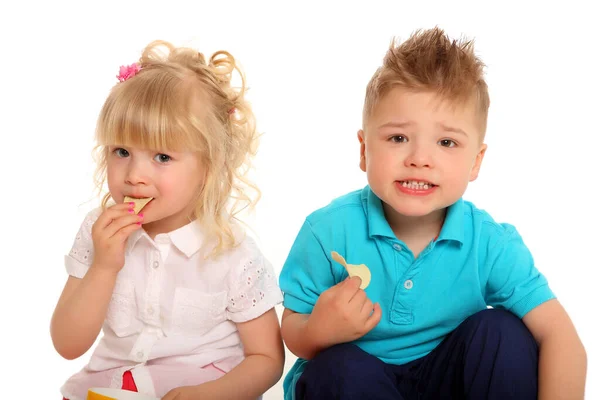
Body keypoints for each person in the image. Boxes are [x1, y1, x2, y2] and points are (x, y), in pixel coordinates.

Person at [279, 27, 587, 399]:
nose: (419, 159)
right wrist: (317, 331)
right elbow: (293, 325)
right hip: (363, 384)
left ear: (476, 161)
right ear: (364, 150)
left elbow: (560, 335)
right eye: (397, 138)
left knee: (502, 331)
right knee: (337, 369)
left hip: (451, 384)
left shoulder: (489, 242)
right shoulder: (327, 231)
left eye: (446, 142)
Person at [51, 40, 284, 400]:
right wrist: (103, 267)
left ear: (209, 166)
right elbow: (67, 344)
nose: (134, 175)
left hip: (202, 388)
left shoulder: (232, 253)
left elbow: (266, 358)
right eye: (122, 151)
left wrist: (212, 394)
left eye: (162, 156)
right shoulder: (98, 230)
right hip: (110, 385)